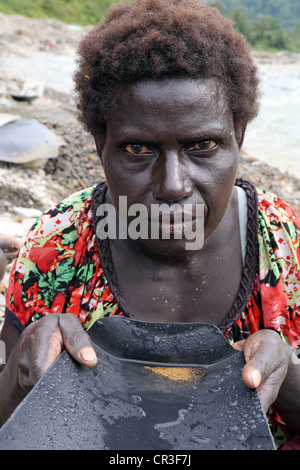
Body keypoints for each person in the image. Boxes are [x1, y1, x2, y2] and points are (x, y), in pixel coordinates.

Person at [0, 0, 299, 450]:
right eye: (139, 149)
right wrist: (20, 371)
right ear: (101, 145)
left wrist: (288, 374)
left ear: (239, 138)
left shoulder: (286, 244)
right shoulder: (55, 246)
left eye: (203, 144)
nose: (173, 185)